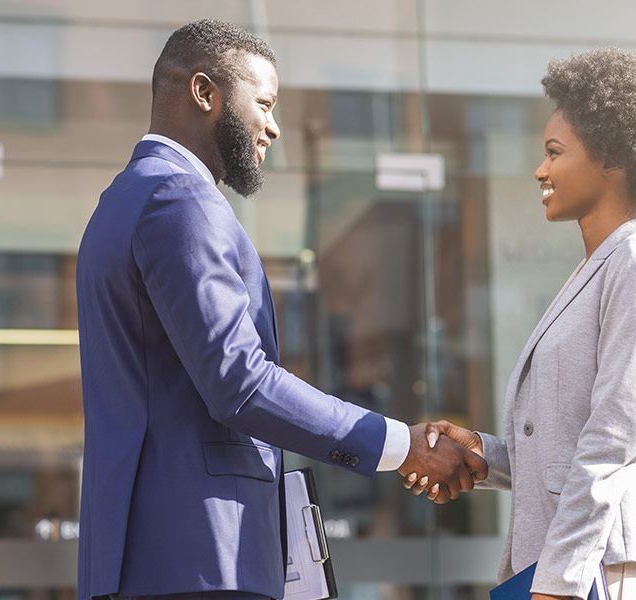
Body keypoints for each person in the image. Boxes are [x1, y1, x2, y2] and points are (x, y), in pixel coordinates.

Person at [76, 19, 486, 600]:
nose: (272, 126)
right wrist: (400, 445)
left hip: (148, 561)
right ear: (203, 93)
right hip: (200, 559)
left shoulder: (119, 202)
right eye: (264, 103)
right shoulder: (180, 200)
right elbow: (239, 383)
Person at [405, 48, 636, 600]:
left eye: (555, 153)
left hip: (606, 565)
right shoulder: (592, 270)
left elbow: (615, 437)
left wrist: (560, 581)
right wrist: (482, 455)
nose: (540, 169)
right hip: (569, 564)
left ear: (611, 158)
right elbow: (563, 447)